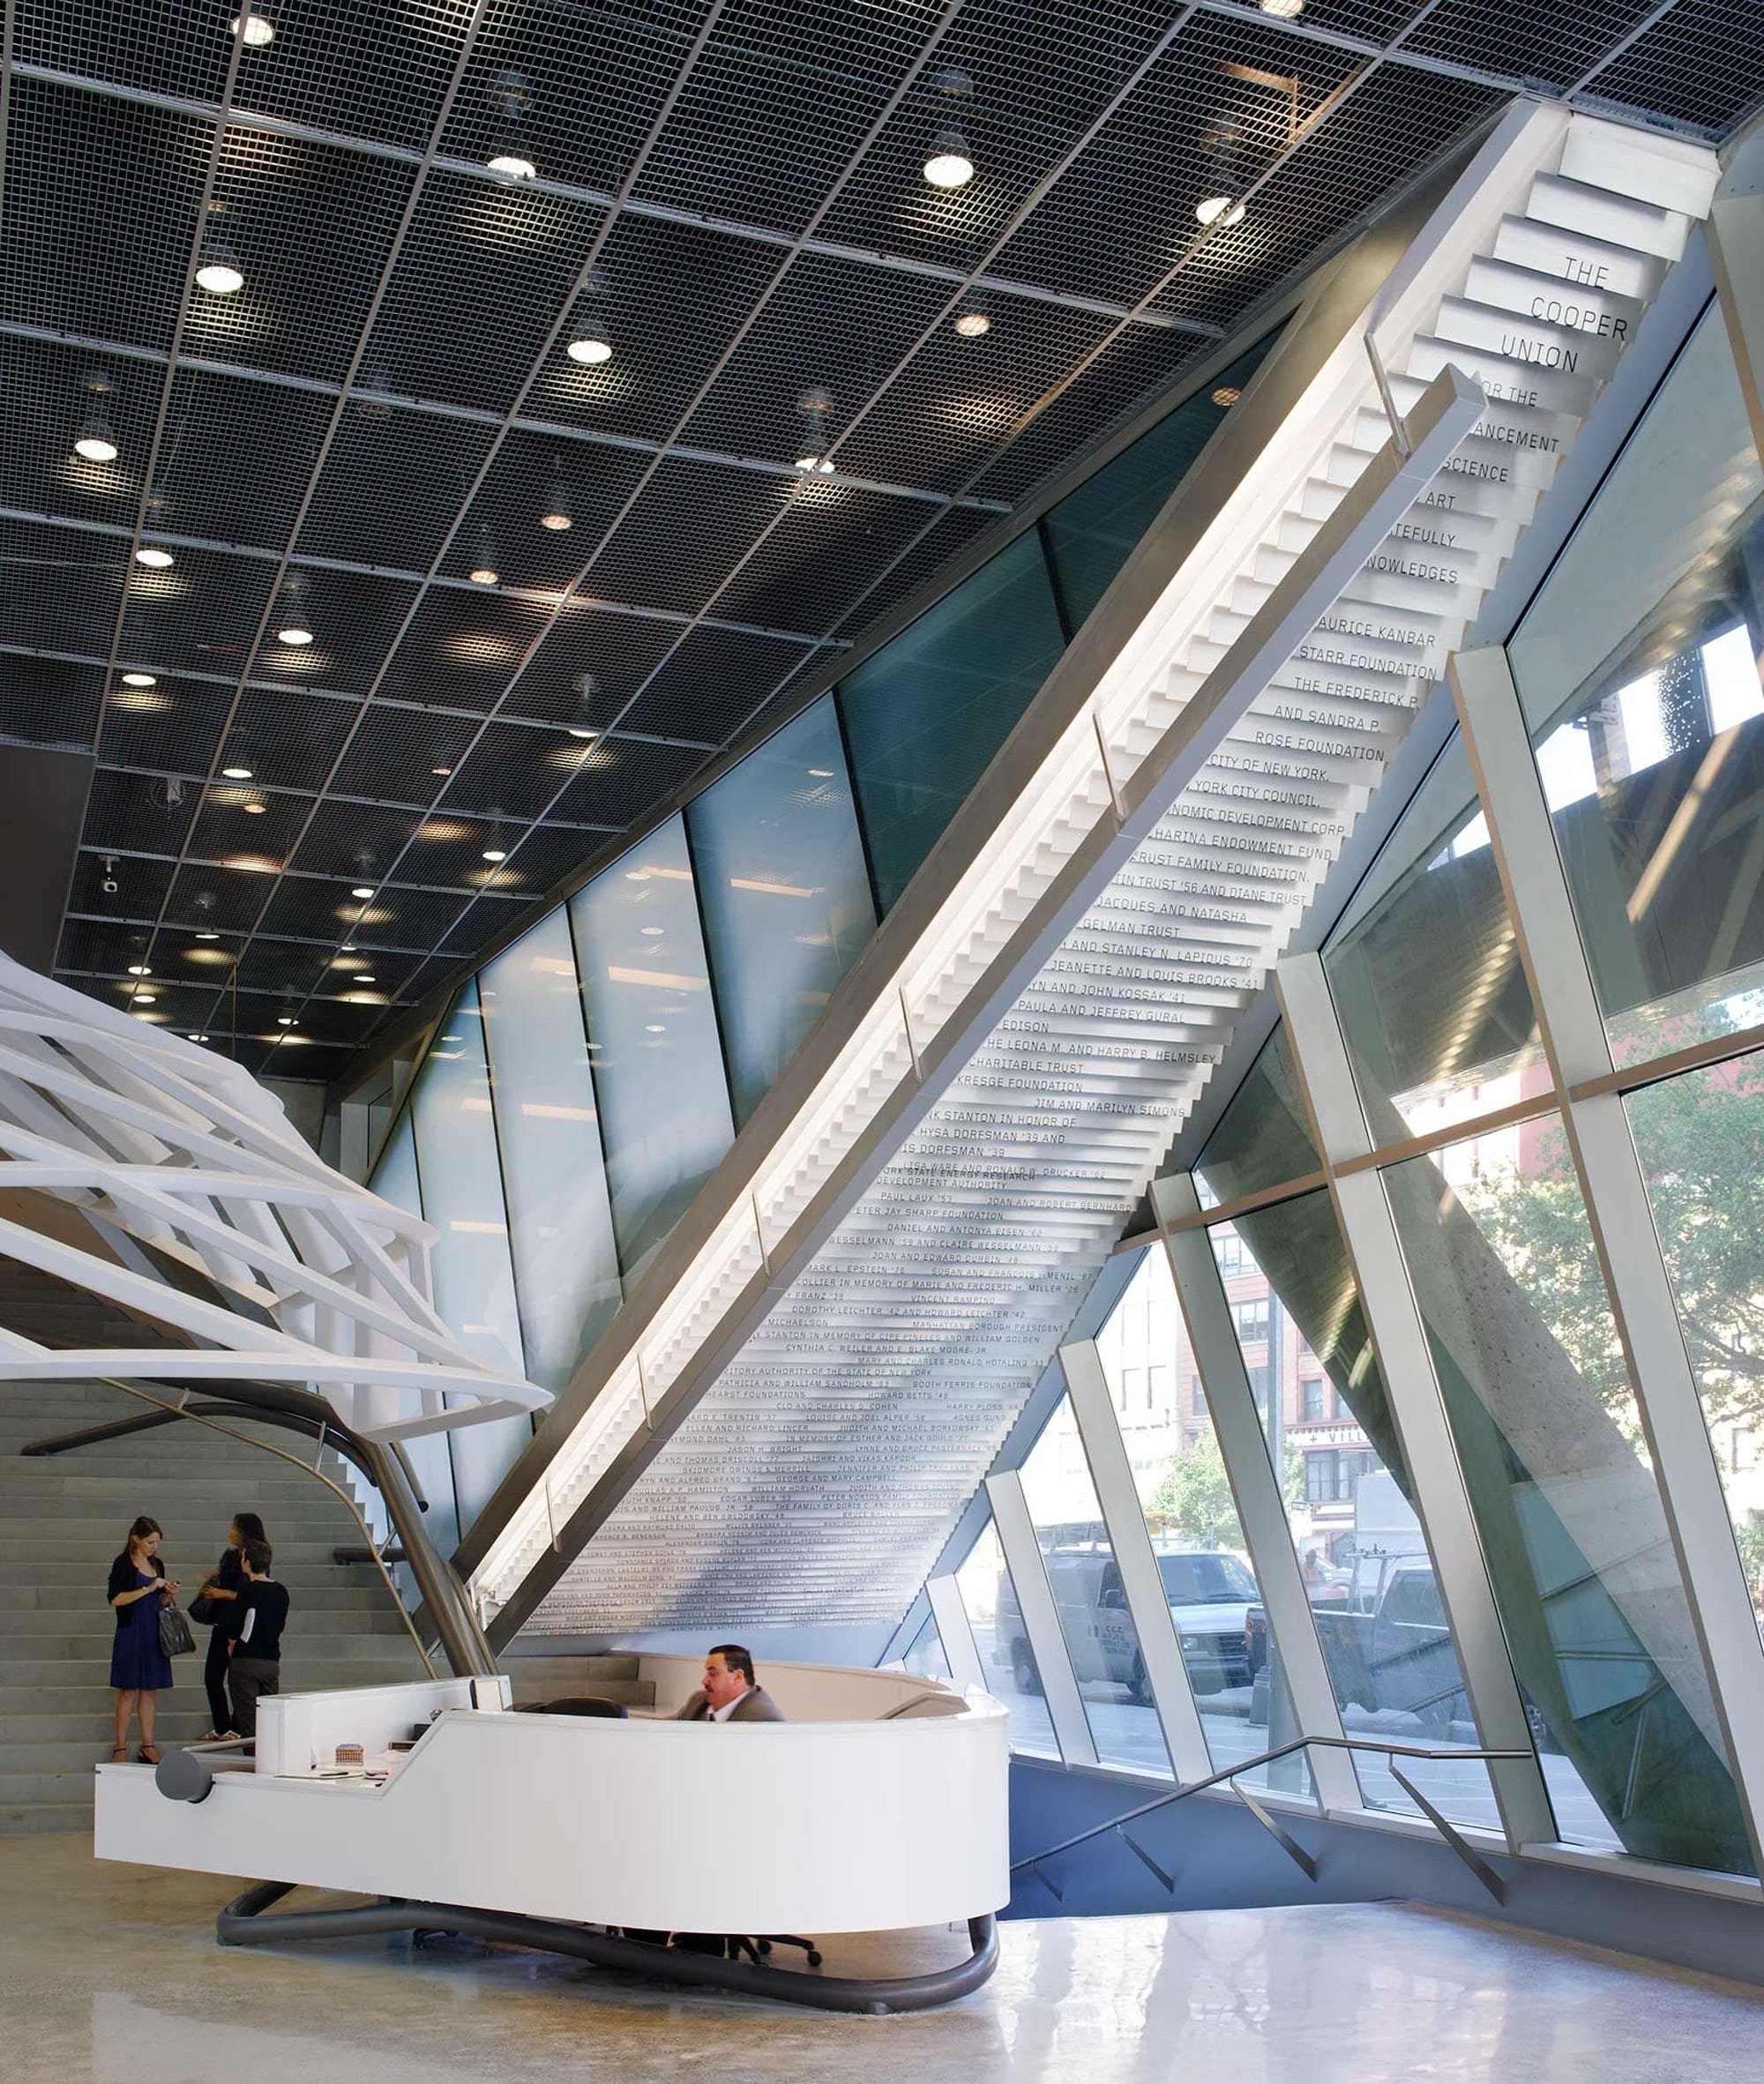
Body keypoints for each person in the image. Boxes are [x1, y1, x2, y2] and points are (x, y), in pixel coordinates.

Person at [107, 1515, 180, 1765]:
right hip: (131, 1631)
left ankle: (147, 1744)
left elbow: (160, 1603)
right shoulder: (123, 1564)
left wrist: (167, 1594)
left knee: (150, 1691)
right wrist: (148, 1589)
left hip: (154, 1630)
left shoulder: (157, 1564)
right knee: (127, 1690)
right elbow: (115, 1599)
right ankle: (120, 1745)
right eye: (150, 1542)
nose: (154, 1546)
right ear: (136, 1539)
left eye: (157, 1542)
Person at [196, 1512, 265, 1740]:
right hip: (221, 1622)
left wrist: (222, 1593)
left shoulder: (255, 1557)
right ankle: (222, 1725)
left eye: (234, 1527)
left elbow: (252, 1593)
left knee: (238, 1679)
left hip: (240, 1625)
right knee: (212, 1677)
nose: (230, 1532)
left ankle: (236, 1727)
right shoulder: (230, 1556)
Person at [225, 1536, 289, 1740]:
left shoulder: (247, 1591)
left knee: (249, 1720)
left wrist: (232, 1644)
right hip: (271, 1661)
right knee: (269, 1718)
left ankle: (253, 1760)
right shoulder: (281, 1591)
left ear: (247, 1562)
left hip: (246, 1660)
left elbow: (237, 1626)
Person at [671, 1644, 784, 1722]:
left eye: (713, 1673)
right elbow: (665, 1730)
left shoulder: (763, 1719)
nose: (704, 1681)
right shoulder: (698, 1700)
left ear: (737, 1677)